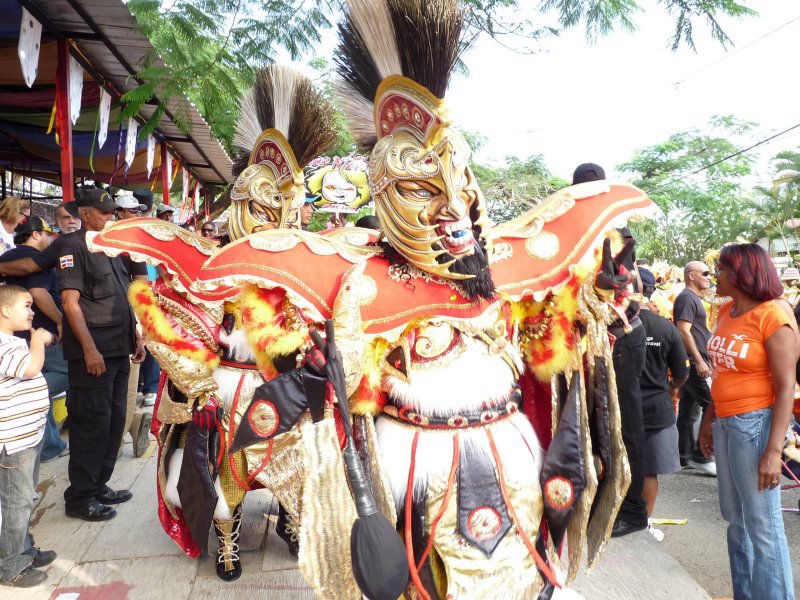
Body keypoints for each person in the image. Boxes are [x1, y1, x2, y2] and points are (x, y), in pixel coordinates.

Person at [87, 5, 656, 593]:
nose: (451, 210)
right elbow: (342, 386)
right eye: (422, 191)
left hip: (505, 456)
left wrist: (587, 311)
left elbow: (548, 353)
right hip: (399, 460)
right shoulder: (353, 280)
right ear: (389, 196)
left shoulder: (504, 270)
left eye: (458, 186)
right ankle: (234, 528)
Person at [698, 243, 798, 600]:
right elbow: (721, 372)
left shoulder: (774, 315)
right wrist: (708, 420)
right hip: (726, 424)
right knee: (735, 521)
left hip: (755, 426)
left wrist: (774, 453)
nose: (716, 276)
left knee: (763, 526)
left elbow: (786, 388)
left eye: (721, 269)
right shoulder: (725, 311)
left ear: (741, 273)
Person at [57, 185, 146, 522]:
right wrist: (89, 348)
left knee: (113, 422)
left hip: (119, 348)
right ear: (85, 214)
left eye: (113, 212)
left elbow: (126, 294)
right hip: (92, 356)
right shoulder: (72, 247)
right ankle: (80, 496)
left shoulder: (111, 248)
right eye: (106, 212)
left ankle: (98, 485)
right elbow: (70, 303)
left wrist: (136, 335)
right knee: (91, 425)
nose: (112, 217)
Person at [573, 165, 648, 539]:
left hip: (621, 333)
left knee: (623, 420)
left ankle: (633, 509)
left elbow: (614, 282)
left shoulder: (616, 232)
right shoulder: (572, 229)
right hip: (586, 335)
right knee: (588, 418)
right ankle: (597, 499)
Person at [0, 285, 57, 588]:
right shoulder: (3, 344)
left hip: (27, 437)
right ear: (5, 310)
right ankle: (11, 567)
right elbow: (32, 367)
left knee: (24, 498)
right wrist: (38, 340)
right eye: (27, 305)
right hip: (14, 441)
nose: (32, 312)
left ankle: (23, 550)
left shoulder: (11, 341)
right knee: (16, 502)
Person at [0, 217, 68, 463]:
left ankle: (49, 446)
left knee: (40, 382)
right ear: (36, 234)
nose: (51, 239)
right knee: (62, 377)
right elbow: (38, 293)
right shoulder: (37, 261)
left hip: (13, 333)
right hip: (42, 332)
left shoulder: (5, 258)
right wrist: (60, 320)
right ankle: (20, 396)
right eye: (48, 234)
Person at [639, 287, 689, 541]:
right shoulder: (666, 328)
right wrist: (670, 389)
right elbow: (681, 372)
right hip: (656, 408)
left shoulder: (611, 325)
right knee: (649, 471)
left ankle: (618, 520)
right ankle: (643, 524)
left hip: (620, 410)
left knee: (617, 469)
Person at [674, 261, 717, 476]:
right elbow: (683, 330)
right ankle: (701, 456)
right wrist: (699, 360)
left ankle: (684, 455)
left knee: (689, 410)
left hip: (693, 360)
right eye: (706, 273)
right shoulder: (687, 297)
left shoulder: (691, 298)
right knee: (713, 407)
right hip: (694, 361)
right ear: (692, 275)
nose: (709, 277)